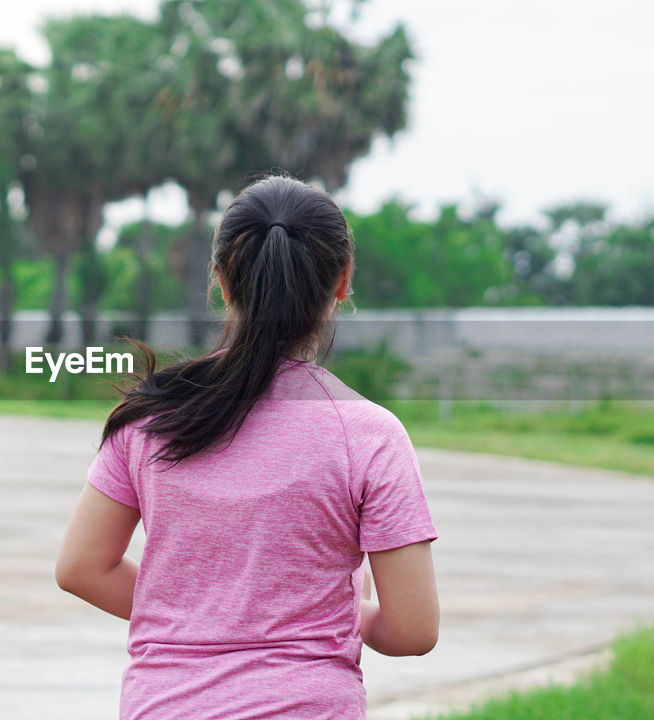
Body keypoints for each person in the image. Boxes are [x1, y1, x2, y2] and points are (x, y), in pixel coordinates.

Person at [56, 175, 439, 719]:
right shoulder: (370, 435)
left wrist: (191, 614)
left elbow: (81, 568)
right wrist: (335, 614)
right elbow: (413, 630)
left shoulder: (151, 417)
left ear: (222, 283)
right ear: (343, 282)